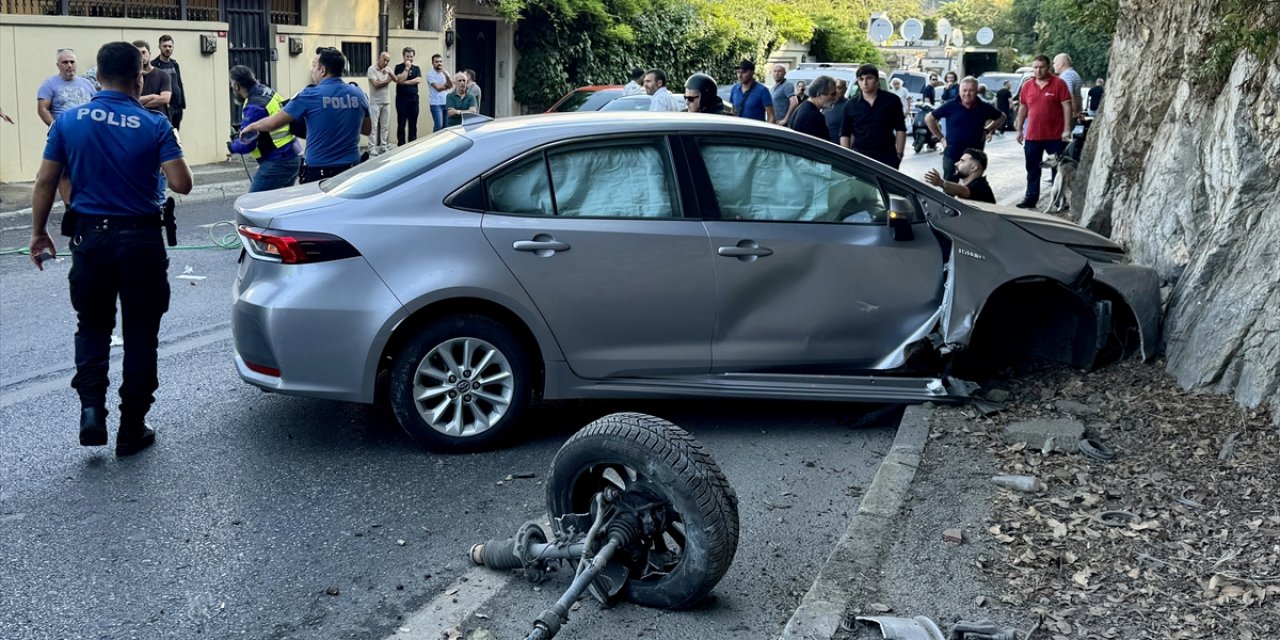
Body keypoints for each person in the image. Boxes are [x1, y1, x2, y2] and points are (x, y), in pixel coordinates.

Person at [28, 41, 193, 456]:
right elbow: (182, 183)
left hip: (90, 239)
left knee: (93, 327)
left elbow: (46, 181)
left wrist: (38, 233)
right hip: (141, 240)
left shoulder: (67, 122)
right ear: (139, 79)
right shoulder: (154, 123)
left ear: (96, 77)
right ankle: (132, 427)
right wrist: (167, 145)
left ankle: (91, 411)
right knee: (141, 334)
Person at [242, 48, 371, 183]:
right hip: (351, 171)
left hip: (319, 173)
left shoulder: (310, 95)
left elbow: (273, 124)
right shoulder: (358, 94)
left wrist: (251, 126)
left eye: (314, 66)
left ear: (322, 70)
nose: (312, 70)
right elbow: (367, 130)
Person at [37, 48, 98, 207]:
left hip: (86, 135)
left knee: (87, 170)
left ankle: (87, 201)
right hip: (63, 135)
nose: (69, 65)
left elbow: (96, 106)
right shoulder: (50, 84)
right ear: (58, 65)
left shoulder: (87, 84)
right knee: (64, 172)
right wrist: (54, 127)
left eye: (72, 62)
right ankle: (69, 206)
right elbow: (42, 108)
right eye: (65, 62)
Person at [227, 65, 301, 192]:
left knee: (254, 202)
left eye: (232, 84)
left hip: (278, 160)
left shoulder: (255, 106)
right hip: (293, 155)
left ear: (236, 86)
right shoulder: (266, 91)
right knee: (278, 204)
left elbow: (247, 144)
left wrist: (232, 146)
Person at [1014, 55, 1073, 209]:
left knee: (1058, 170)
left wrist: (1067, 129)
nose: (1038, 71)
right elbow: (1023, 107)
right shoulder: (1027, 85)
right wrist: (1019, 129)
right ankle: (1031, 198)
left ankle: (1060, 200)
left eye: (1041, 67)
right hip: (1033, 135)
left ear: (1048, 67)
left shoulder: (1059, 84)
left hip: (1055, 135)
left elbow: (1067, 106)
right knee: (1032, 168)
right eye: (1035, 67)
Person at [925, 77, 1005, 181]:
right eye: (964, 90)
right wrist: (940, 138)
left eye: (971, 90)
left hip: (974, 156)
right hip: (952, 153)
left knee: (972, 189)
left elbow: (1002, 117)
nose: (967, 94)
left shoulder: (984, 107)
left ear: (976, 91)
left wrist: (988, 130)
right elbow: (929, 118)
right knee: (949, 186)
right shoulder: (950, 105)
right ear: (959, 91)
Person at [840, 64, 907, 168]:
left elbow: (900, 128)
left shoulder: (892, 100)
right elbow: (845, 133)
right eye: (861, 79)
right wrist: (847, 156)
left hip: (886, 155)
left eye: (869, 78)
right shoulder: (851, 104)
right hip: (860, 156)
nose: (865, 83)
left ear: (877, 80)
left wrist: (899, 154)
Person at [924, 148, 995, 204]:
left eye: (962, 161)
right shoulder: (976, 184)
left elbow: (963, 190)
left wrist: (941, 183)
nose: (956, 164)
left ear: (973, 168)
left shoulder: (981, 187)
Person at [787, 75, 839, 141]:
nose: (835, 98)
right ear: (818, 94)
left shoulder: (801, 108)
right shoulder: (814, 116)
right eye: (832, 94)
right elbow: (821, 146)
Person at [151, 35, 186, 130]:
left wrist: (182, 104)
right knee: (166, 133)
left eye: (170, 46)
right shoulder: (154, 65)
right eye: (165, 46)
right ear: (159, 47)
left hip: (177, 106)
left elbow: (179, 83)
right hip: (165, 107)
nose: (167, 49)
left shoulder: (175, 64)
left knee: (176, 134)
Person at [133, 40, 171, 118]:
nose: (141, 56)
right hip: (137, 121)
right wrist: (153, 96)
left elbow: (165, 99)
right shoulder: (129, 77)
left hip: (158, 122)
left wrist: (138, 104)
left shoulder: (163, 75)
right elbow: (128, 101)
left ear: (149, 54)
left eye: (143, 52)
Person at [394, 47, 422, 145]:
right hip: (401, 99)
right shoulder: (398, 67)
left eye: (411, 56)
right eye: (407, 56)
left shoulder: (416, 68)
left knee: (413, 124)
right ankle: (401, 145)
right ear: (403, 56)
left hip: (413, 99)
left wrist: (404, 82)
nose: (409, 59)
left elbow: (418, 80)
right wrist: (406, 68)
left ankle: (412, 145)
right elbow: (399, 79)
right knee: (401, 124)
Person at [367, 51, 393, 156]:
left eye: (388, 61)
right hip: (375, 102)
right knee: (373, 126)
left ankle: (383, 146)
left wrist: (390, 74)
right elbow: (376, 84)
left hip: (386, 101)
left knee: (385, 126)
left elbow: (396, 79)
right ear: (380, 58)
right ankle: (371, 147)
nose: (386, 62)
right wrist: (387, 81)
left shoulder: (388, 69)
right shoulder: (371, 69)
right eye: (384, 60)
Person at [426, 53, 452, 132]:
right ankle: (434, 141)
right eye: (436, 62)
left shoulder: (445, 73)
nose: (439, 63)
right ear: (432, 63)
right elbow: (437, 88)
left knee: (446, 126)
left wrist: (447, 76)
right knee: (439, 125)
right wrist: (446, 86)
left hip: (446, 102)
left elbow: (451, 85)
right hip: (435, 103)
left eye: (440, 61)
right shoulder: (430, 74)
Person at [1054, 53, 1084, 120]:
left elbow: (1069, 95)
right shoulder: (1073, 73)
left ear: (1061, 64)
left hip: (1068, 116)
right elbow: (1079, 97)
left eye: (1055, 63)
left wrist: (1074, 113)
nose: (1053, 66)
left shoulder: (1066, 75)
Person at [824, 78, 848, 143]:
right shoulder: (826, 103)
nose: (836, 91)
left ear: (845, 90)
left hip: (838, 148)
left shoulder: (849, 105)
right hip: (824, 144)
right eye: (834, 88)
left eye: (839, 88)